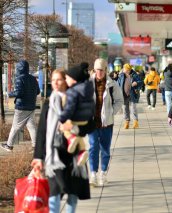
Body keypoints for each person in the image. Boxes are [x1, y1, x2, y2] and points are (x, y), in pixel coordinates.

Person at [31, 69, 91, 213]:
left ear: (66, 80)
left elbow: (89, 125)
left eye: (59, 79)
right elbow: (42, 131)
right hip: (54, 155)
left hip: (73, 153)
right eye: (53, 80)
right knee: (55, 191)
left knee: (72, 192)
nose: (55, 83)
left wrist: (75, 126)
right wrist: (38, 157)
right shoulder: (48, 104)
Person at [89, 58, 123, 186]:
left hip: (106, 123)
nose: (99, 73)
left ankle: (103, 173)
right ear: (94, 70)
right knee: (92, 147)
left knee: (105, 149)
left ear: (106, 70)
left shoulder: (112, 84)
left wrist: (111, 112)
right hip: (92, 122)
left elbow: (119, 100)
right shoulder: (87, 83)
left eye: (102, 70)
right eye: (97, 70)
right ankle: (93, 174)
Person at [59, 63, 95, 166]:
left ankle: (71, 139)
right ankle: (82, 152)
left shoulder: (72, 91)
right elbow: (92, 105)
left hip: (76, 119)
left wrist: (61, 118)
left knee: (66, 129)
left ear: (74, 79)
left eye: (67, 78)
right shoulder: (88, 89)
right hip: (85, 120)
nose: (66, 80)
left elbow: (69, 108)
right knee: (79, 136)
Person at [1, 60, 40, 152]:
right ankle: (35, 147)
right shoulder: (33, 78)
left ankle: (9, 145)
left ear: (19, 68)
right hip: (31, 106)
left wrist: (10, 94)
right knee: (32, 127)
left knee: (15, 126)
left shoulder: (19, 78)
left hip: (21, 106)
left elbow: (19, 92)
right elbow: (37, 91)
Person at [117, 63, 143, 129]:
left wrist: (136, 83)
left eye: (126, 69)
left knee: (133, 108)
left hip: (132, 94)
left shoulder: (134, 75)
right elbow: (118, 84)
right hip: (124, 95)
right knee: (125, 109)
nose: (125, 70)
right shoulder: (121, 75)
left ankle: (135, 122)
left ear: (129, 70)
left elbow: (141, 82)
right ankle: (127, 122)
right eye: (124, 69)